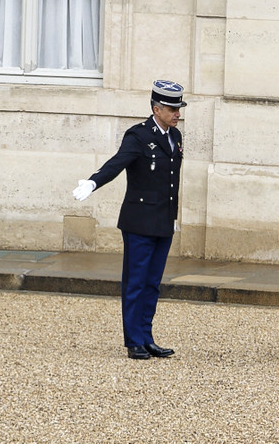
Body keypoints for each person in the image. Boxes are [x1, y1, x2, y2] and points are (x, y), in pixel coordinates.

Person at [72, 80, 187, 360]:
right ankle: (133, 339)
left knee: (152, 283)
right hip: (139, 221)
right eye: (172, 109)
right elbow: (117, 163)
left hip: (163, 221)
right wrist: (93, 182)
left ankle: (146, 336)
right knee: (135, 282)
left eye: (179, 108)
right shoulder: (138, 135)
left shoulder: (176, 137)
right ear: (156, 108)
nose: (177, 113)